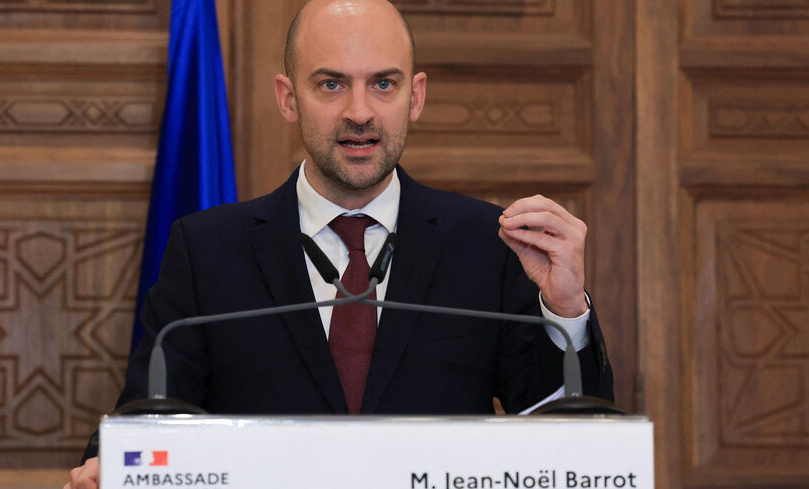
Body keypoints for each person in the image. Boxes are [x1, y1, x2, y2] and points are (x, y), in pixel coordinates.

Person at [65, 0, 613, 487]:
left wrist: (565, 310)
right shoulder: (208, 250)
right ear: (287, 98)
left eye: (383, 83)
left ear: (415, 97)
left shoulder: (486, 242)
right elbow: (151, 416)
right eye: (331, 84)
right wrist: (109, 466)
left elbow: (566, 441)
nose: (359, 112)